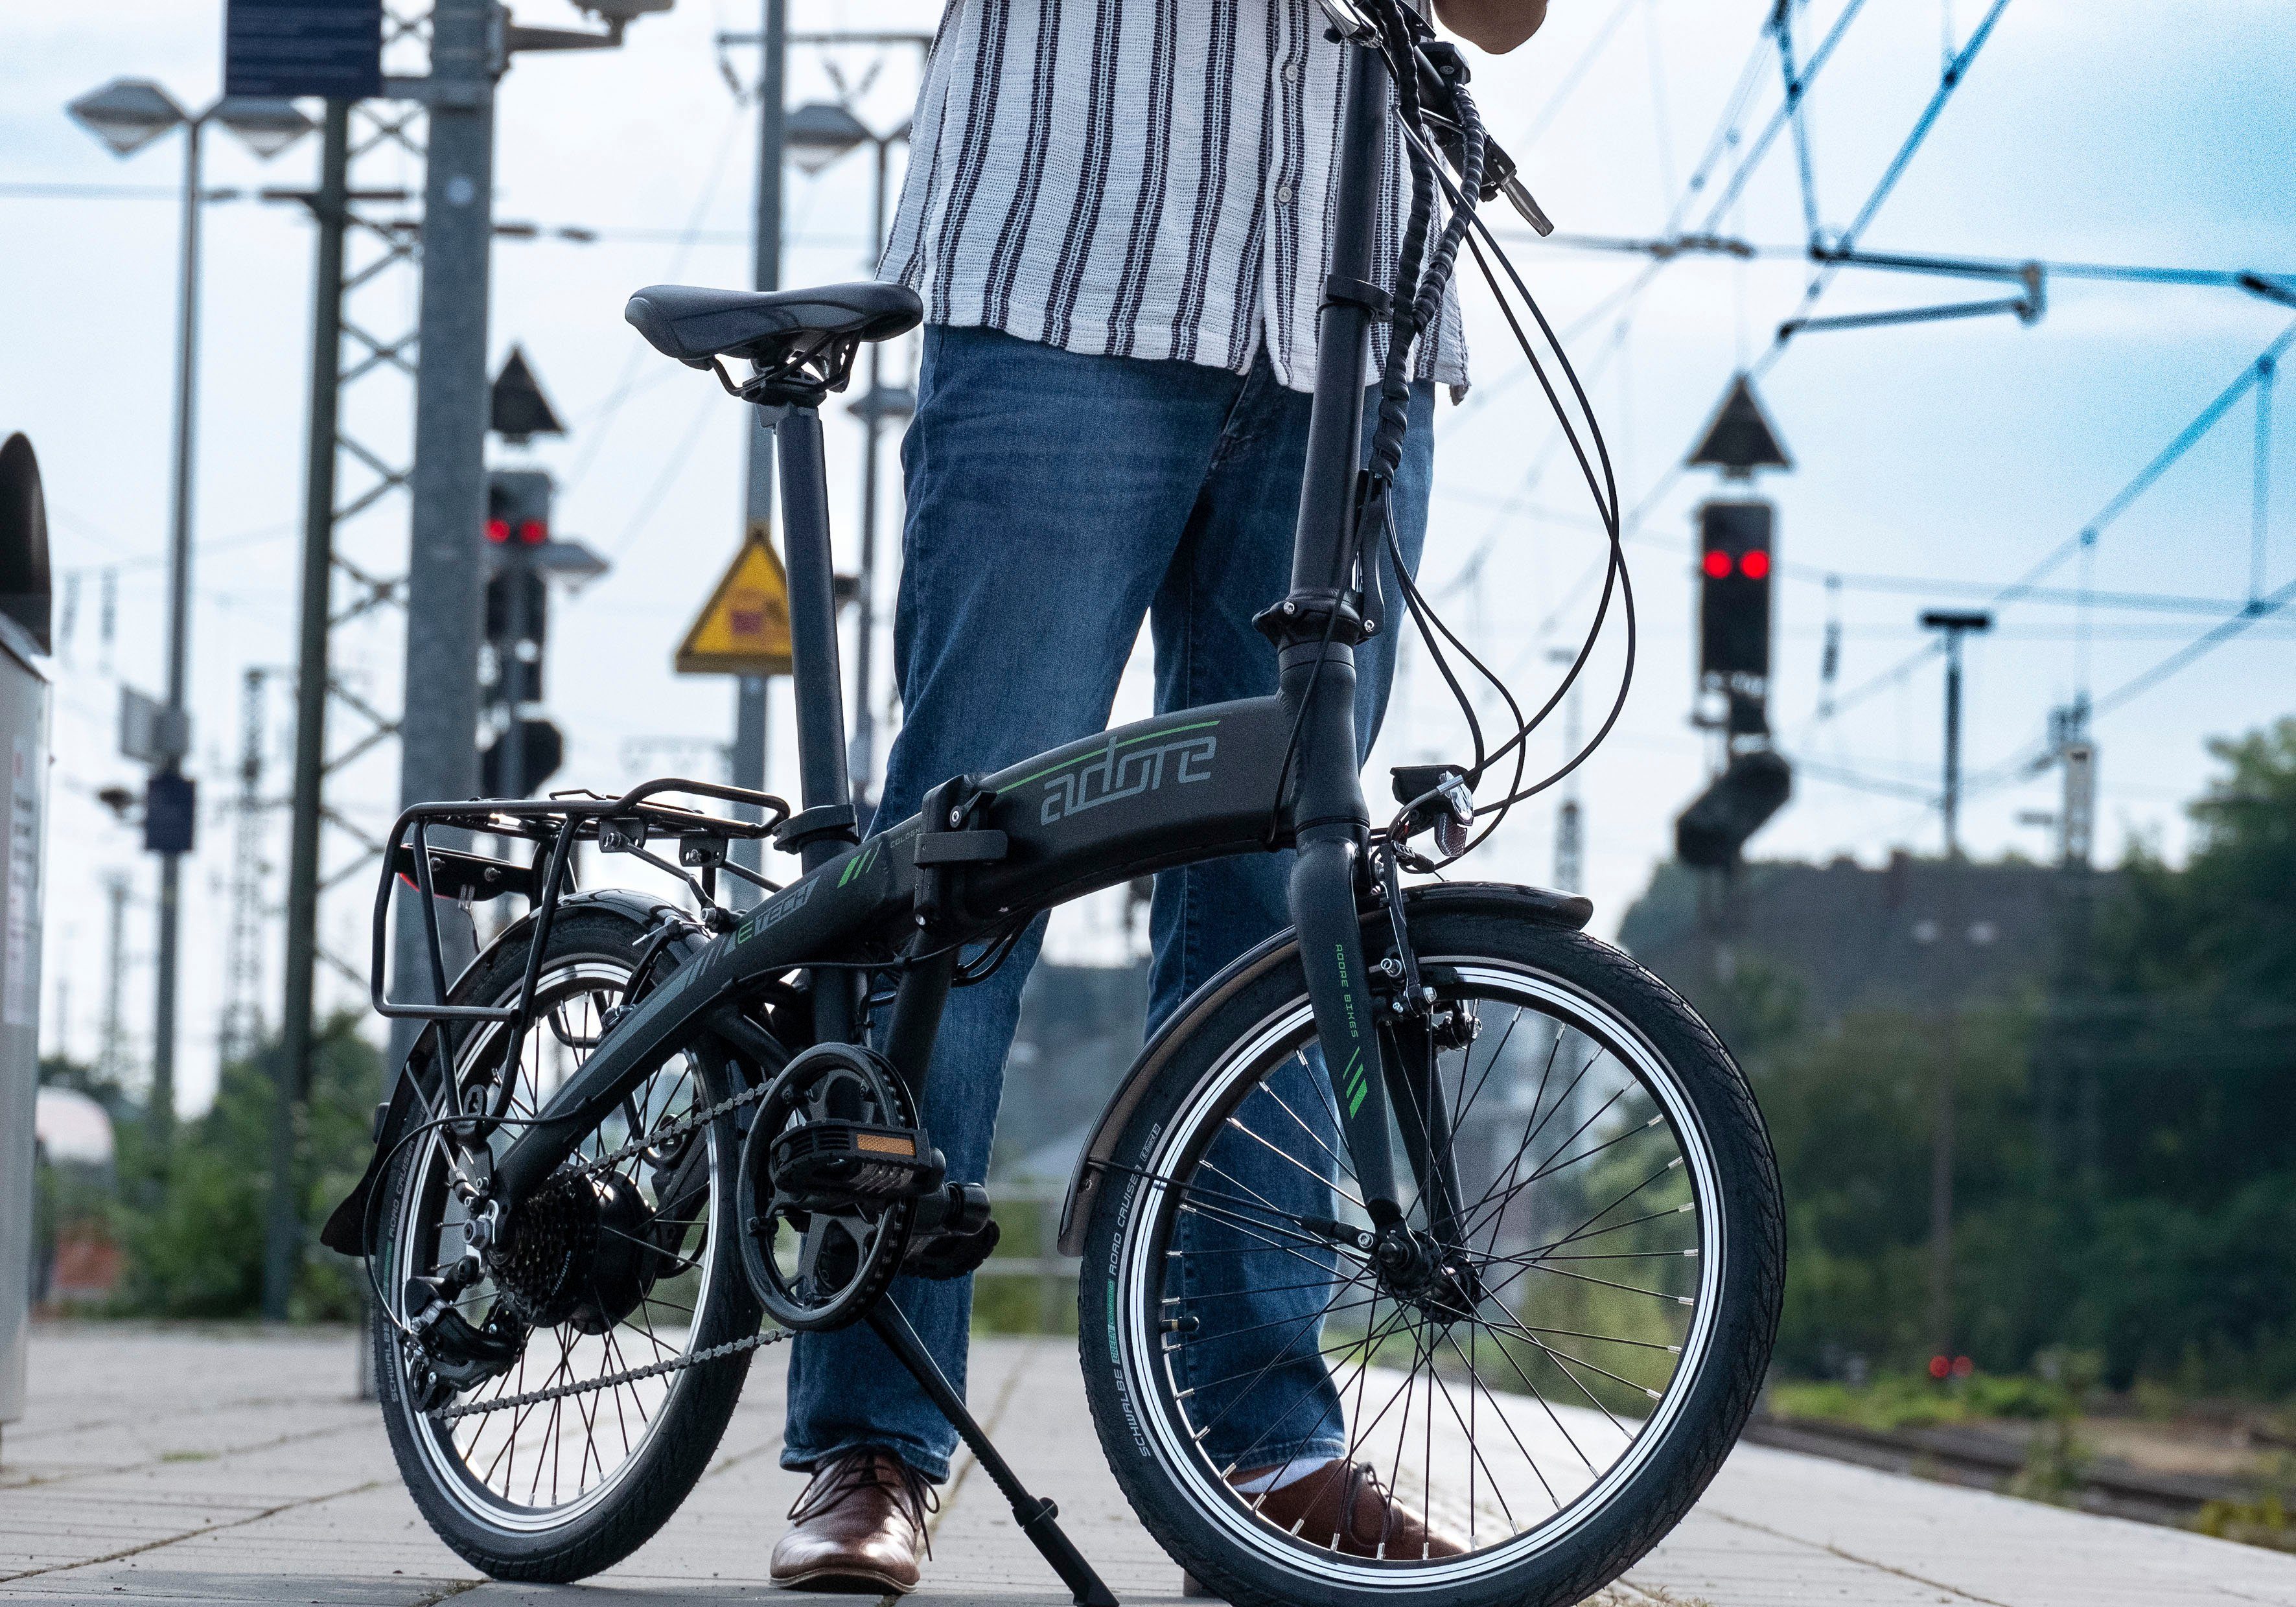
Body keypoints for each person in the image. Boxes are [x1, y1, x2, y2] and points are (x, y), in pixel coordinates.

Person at [771, 0, 1551, 1591]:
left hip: (1345, 324)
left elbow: (1508, 15)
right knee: (960, 881)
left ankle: (1261, 1456)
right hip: (1072, 266)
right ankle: (868, 1439)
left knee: (1275, 922)